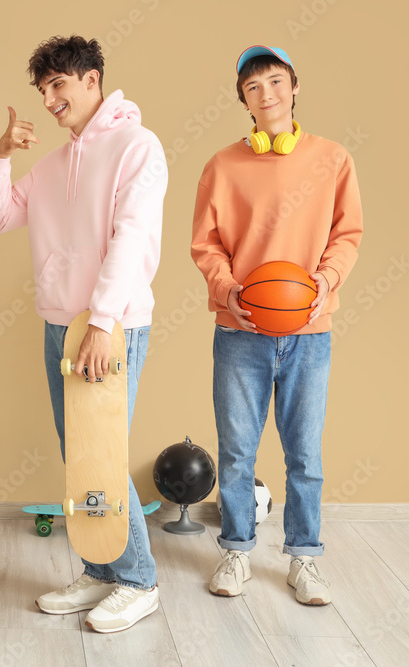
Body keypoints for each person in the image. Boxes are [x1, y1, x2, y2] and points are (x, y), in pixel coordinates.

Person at [0, 35, 167, 633]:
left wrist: (103, 323)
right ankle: (100, 568)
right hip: (59, 323)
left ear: (93, 79)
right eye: (43, 90)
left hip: (107, 325)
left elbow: (131, 237)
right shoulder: (54, 163)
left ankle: (138, 581)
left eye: (59, 85)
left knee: (103, 458)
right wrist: (1, 154)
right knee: (80, 458)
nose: (50, 99)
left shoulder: (138, 146)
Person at [191, 45, 362, 605]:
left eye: (275, 81)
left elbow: (347, 234)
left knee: (305, 454)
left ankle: (304, 561)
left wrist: (327, 283)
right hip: (241, 330)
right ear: (243, 99)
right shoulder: (221, 166)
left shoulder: (333, 159)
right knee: (238, 451)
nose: (267, 93)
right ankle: (237, 552)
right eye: (254, 86)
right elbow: (206, 245)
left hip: (309, 334)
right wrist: (226, 289)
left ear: (294, 86)